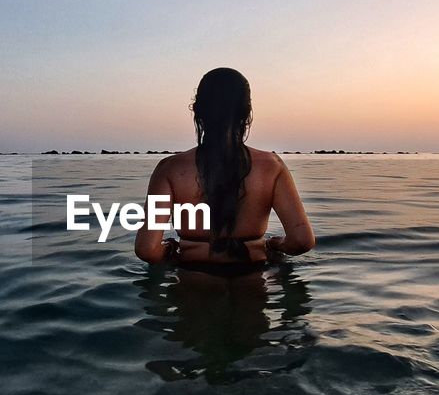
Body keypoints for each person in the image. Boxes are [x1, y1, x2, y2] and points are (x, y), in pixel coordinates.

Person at [134, 67, 315, 269]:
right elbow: (302, 241)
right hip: (253, 282)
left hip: (194, 285)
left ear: (197, 110)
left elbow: (147, 249)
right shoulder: (272, 167)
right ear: (247, 113)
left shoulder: (170, 169)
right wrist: (275, 243)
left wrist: (168, 249)